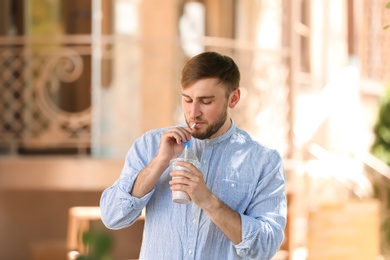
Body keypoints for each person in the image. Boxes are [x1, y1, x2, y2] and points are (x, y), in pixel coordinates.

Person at [100, 51, 287, 260]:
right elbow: (112, 217)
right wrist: (159, 163)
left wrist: (208, 201)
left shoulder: (263, 160)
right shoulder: (150, 145)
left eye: (205, 102)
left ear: (233, 99)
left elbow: (266, 246)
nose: (193, 112)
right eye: (187, 100)